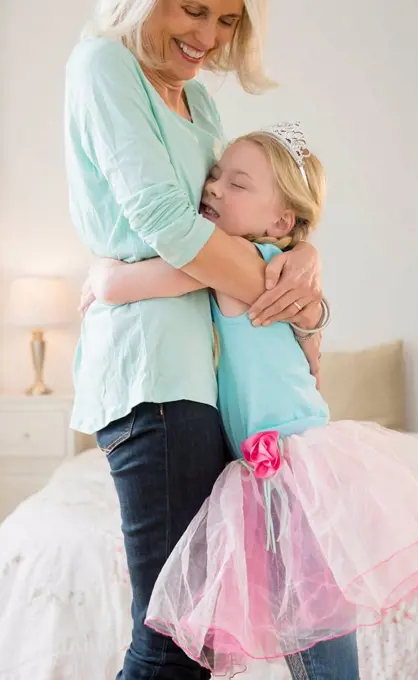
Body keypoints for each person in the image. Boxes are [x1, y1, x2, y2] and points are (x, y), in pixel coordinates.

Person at [83, 123, 418, 680]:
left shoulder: (237, 264)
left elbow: (118, 289)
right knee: (313, 628)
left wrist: (101, 271)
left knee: (319, 632)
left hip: (294, 467)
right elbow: (306, 330)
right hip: (278, 467)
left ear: (281, 221)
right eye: (214, 175)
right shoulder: (265, 266)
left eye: (237, 184)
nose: (212, 188)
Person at [65, 1, 325, 679]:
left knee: (196, 641)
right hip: (151, 376)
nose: (208, 37)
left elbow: (228, 230)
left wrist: (303, 263)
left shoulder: (202, 105)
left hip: (198, 387)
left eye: (229, 21)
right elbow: (170, 226)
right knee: (173, 643)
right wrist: (286, 281)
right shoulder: (105, 65)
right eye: (194, 9)